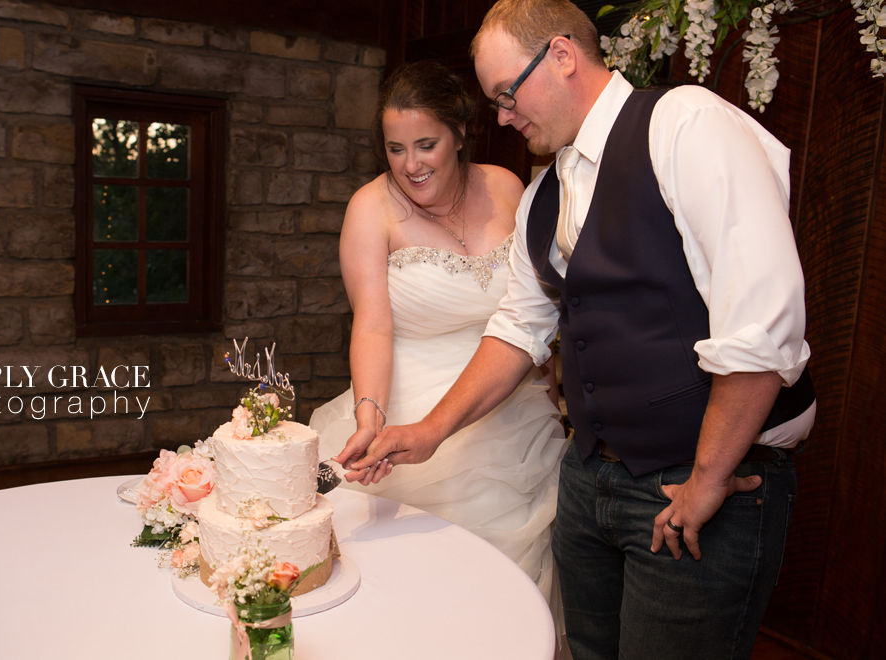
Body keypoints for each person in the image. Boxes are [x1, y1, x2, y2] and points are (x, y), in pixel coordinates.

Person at [349, 2, 817, 659]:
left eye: (508, 94)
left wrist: (709, 477)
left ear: (563, 56)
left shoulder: (686, 125)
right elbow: (518, 328)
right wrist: (428, 431)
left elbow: (762, 321)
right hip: (591, 481)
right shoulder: (545, 196)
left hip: (697, 486)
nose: (505, 116)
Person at [308, 61, 570, 611]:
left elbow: (535, 303)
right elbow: (373, 325)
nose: (410, 164)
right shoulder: (369, 209)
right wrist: (370, 414)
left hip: (508, 408)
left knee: (511, 590)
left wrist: (552, 377)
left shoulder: (506, 187)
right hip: (406, 403)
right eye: (395, 148)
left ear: (460, 133)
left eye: (425, 144)